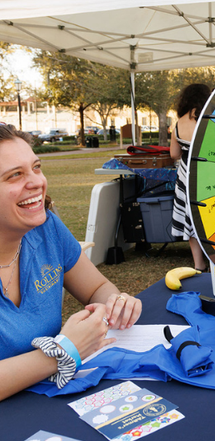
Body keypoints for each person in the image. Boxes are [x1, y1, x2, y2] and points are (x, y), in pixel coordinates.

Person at [0, 122, 142, 400]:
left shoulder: (46, 228)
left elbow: (96, 288)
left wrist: (115, 303)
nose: (37, 182)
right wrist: (62, 352)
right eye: (15, 175)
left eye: (36, 167)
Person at [168, 82, 211, 273]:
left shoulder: (179, 124)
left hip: (187, 175)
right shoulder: (210, 117)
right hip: (210, 172)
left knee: (191, 217)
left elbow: (174, 154)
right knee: (212, 217)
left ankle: (198, 264)